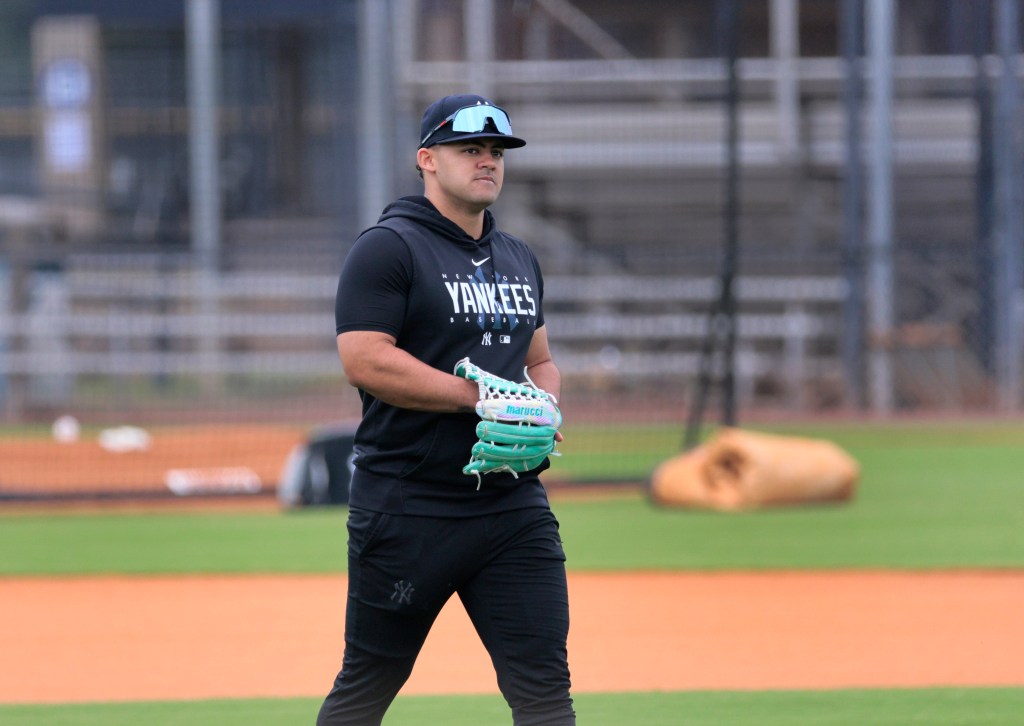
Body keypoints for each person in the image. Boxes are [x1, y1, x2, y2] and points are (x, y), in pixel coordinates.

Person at [316, 94, 575, 725]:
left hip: (512, 506)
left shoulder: (518, 257)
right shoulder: (388, 247)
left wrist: (543, 406)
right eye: (470, 149)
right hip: (410, 504)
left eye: (496, 151)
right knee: (368, 685)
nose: (487, 161)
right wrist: (479, 397)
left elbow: (539, 361)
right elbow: (365, 360)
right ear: (427, 159)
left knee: (545, 688)